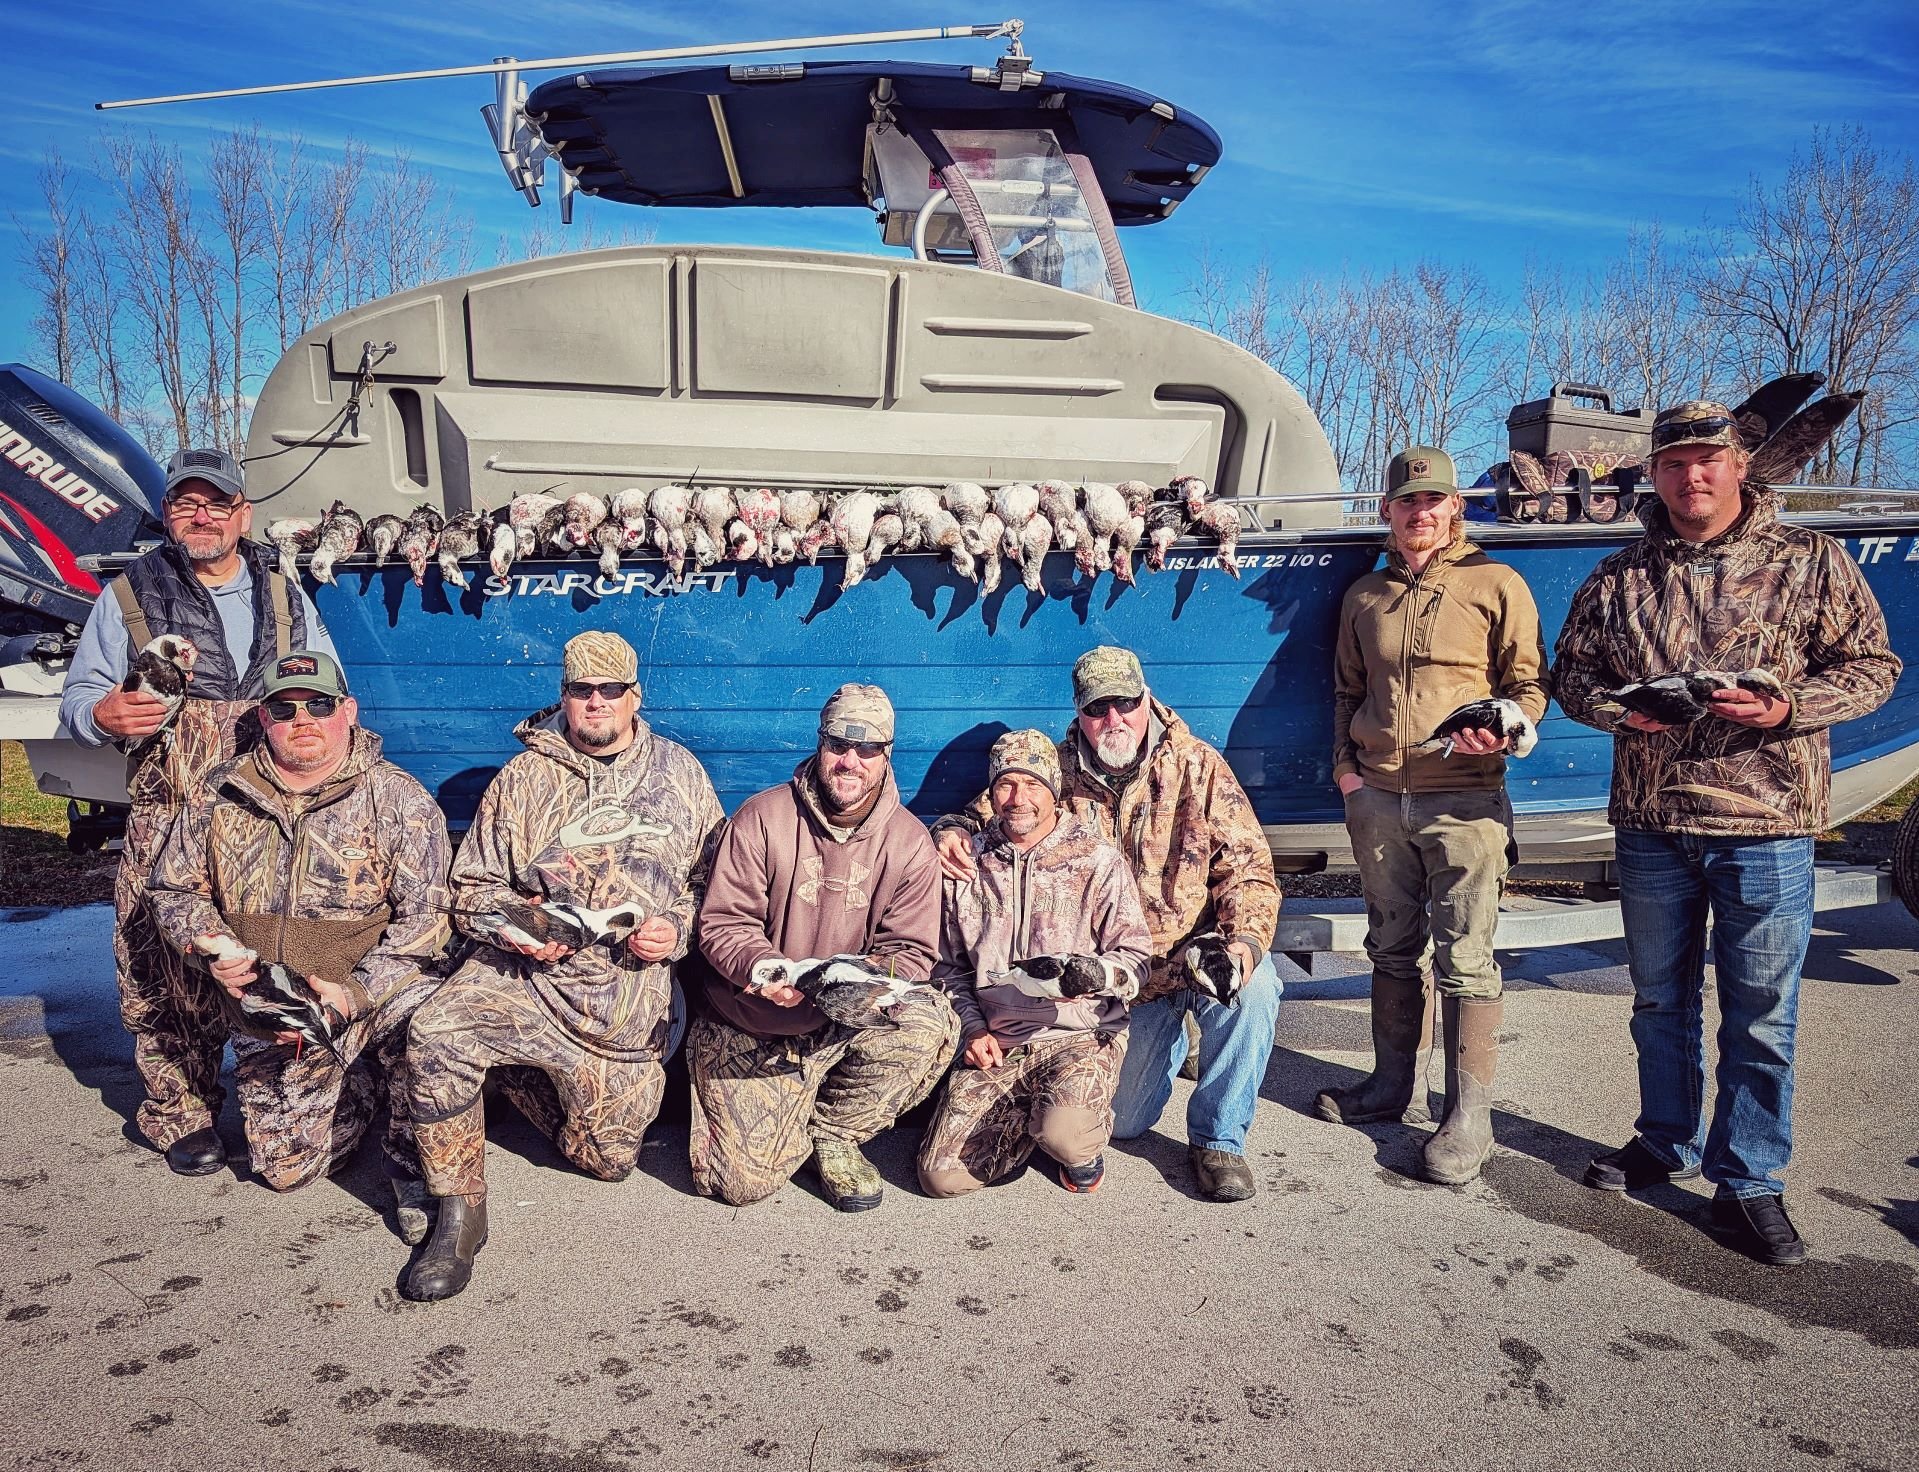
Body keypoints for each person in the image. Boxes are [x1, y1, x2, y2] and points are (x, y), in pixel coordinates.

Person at [1553, 400, 1899, 1265]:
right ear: (1656, 474)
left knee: (1759, 1013)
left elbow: (1873, 666)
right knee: (1658, 1001)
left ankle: (1747, 1180)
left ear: (1739, 465)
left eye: (1707, 460)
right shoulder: (1620, 574)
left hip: (1765, 824)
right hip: (1651, 821)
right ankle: (1662, 1141)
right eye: (1673, 463)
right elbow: (1571, 676)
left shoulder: (1810, 561)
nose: (1690, 476)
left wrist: (1788, 707)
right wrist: (1615, 714)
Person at [402, 632, 723, 1301]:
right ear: (565, 697)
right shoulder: (521, 779)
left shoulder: (681, 774)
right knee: (436, 1032)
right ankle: (459, 1212)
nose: (596, 703)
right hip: (524, 983)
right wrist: (522, 926)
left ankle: (520, 1086)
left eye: (611, 690)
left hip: (621, 996)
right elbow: (470, 893)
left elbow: (713, 886)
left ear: (636, 696)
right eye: (582, 691)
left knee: (608, 1161)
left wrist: (677, 930)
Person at [59, 447, 337, 1175]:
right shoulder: (128, 594)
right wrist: (104, 713)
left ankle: (276, 1094)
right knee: (161, 972)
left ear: (243, 514)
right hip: (166, 814)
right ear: (168, 514)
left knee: (266, 958)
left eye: (217, 503)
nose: (202, 515)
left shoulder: (284, 592)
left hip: (264, 818)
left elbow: (326, 688)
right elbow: (79, 701)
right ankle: (178, 1113)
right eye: (185, 503)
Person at [934, 646, 1282, 1202]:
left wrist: (1240, 943)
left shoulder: (1198, 766)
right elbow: (987, 810)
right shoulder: (1056, 766)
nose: (1112, 719)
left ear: (1145, 699)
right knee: (1123, 1125)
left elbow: (1250, 870)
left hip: (1190, 956)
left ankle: (1219, 1139)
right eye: (1098, 708)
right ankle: (1165, 1047)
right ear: (1079, 712)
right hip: (1112, 983)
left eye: (1125, 703)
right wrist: (948, 828)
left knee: (1257, 989)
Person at [146, 651, 451, 1244]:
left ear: (349, 711)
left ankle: (414, 1163)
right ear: (264, 717)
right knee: (286, 1170)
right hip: (273, 1000)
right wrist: (210, 945)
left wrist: (354, 992)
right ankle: (357, 1086)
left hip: (365, 986)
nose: (302, 718)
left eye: (319, 704)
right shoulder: (221, 793)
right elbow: (172, 886)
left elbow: (429, 919)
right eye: (285, 708)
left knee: (431, 1027)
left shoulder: (398, 799)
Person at [1316, 447, 1548, 1184]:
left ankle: (1468, 1116)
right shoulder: (1363, 596)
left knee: (1465, 957)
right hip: (1378, 798)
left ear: (1455, 508)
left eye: (1435, 501)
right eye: (1407, 501)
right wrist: (1347, 773)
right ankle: (1390, 1088)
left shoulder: (1495, 583)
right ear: (1387, 512)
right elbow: (1346, 693)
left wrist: (1506, 731)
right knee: (1389, 946)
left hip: (1467, 802)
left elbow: (1529, 685)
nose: (1421, 513)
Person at [689, 684, 958, 1211]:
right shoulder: (762, 818)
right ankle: (770, 1112)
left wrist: (862, 985)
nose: (850, 761)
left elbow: (911, 949)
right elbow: (722, 922)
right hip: (751, 1020)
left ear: (886, 755)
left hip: (840, 1020)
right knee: (739, 1184)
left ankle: (833, 1131)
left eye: (867, 749)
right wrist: (766, 971)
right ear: (819, 743)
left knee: (929, 1021)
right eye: (838, 744)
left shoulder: (909, 843)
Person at [918, 730, 1151, 1196]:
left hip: (1079, 1036)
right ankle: (1028, 1120)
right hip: (999, 1041)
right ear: (991, 792)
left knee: (1066, 1135)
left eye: (1032, 784)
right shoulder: (969, 865)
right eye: (1005, 784)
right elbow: (947, 967)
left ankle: (1066, 1133)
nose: (1017, 798)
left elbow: (1136, 958)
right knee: (939, 1178)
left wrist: (1100, 975)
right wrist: (971, 1029)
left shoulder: (1097, 860)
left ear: (1054, 789)